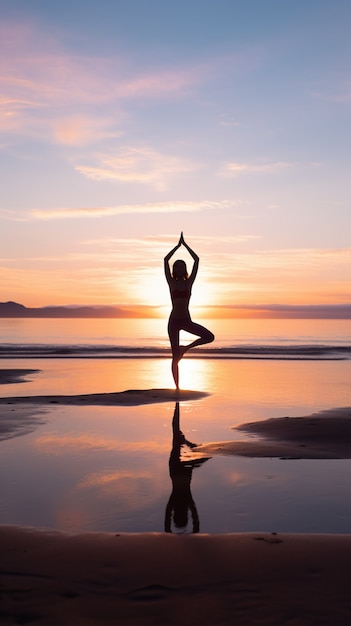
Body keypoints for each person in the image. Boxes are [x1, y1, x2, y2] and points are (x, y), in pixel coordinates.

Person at [164, 232, 214, 389]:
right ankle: (177, 388)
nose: (179, 268)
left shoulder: (189, 283)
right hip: (173, 322)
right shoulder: (171, 283)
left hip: (186, 321)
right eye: (177, 266)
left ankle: (185, 348)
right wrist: (177, 247)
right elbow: (165, 260)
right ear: (174, 269)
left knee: (209, 336)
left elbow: (197, 260)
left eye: (181, 266)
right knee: (175, 357)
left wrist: (185, 246)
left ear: (184, 268)